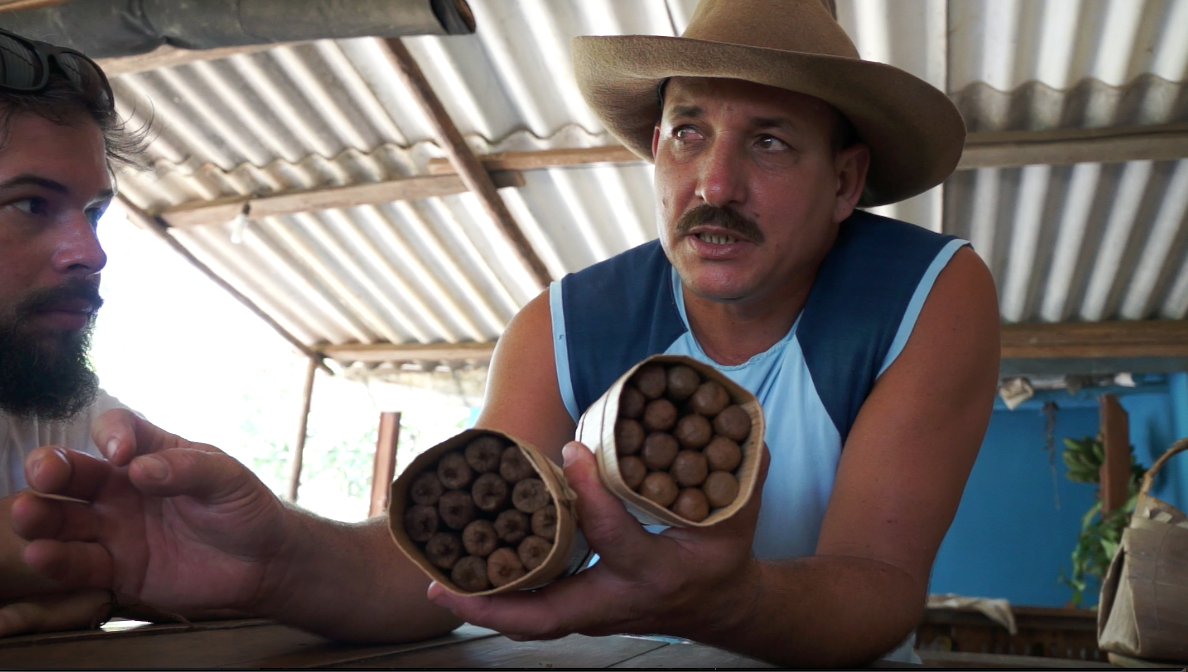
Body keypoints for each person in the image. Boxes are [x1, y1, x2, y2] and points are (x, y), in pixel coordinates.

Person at [12, 0, 1000, 665]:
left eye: (771, 142)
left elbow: (874, 589)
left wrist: (723, 601)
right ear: (656, 146)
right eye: (690, 132)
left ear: (845, 181)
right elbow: (448, 564)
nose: (715, 186)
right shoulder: (566, 323)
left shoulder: (922, 295)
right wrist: (275, 559)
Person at [0, 26, 141, 636]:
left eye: (95, 213)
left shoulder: (48, 401)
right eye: (31, 204)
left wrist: (101, 576)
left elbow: (212, 535)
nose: (92, 253)